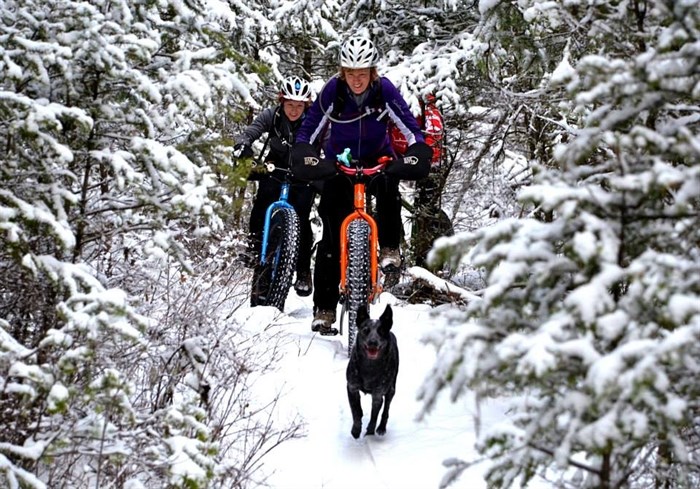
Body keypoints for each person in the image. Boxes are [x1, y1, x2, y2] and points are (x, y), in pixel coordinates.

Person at [291, 35, 432, 334]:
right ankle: (325, 308)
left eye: (363, 73)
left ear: (372, 72)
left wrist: (417, 149)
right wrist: (304, 152)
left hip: (377, 159)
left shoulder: (384, 91)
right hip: (338, 164)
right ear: (343, 72)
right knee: (331, 232)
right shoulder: (333, 91)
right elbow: (311, 126)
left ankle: (390, 247)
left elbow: (408, 125)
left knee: (388, 187)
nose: (357, 80)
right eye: (351, 73)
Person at [234, 75, 317, 303]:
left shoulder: (314, 120)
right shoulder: (272, 115)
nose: (293, 110)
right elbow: (251, 131)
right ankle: (253, 246)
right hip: (276, 167)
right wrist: (243, 145)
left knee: (302, 218)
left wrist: (326, 165)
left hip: (304, 172)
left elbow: (328, 142)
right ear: (282, 102)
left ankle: (302, 270)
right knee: (262, 204)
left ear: (305, 105)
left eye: (299, 106)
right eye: (289, 104)